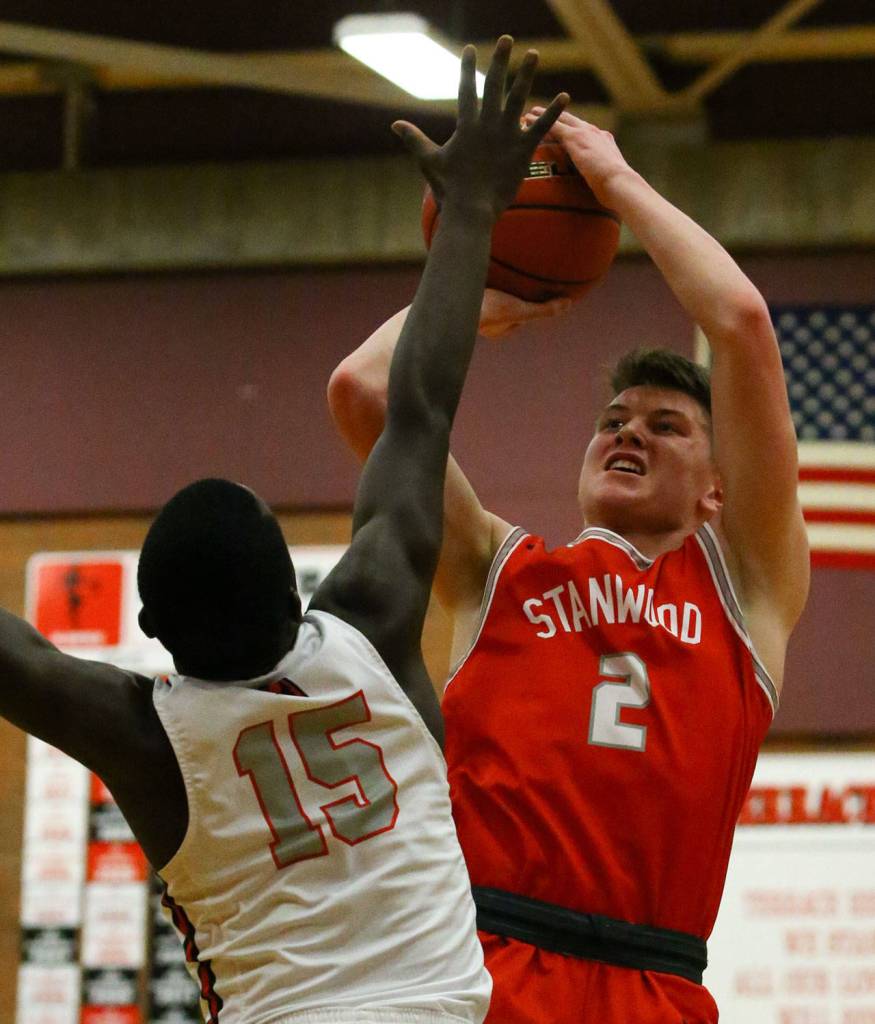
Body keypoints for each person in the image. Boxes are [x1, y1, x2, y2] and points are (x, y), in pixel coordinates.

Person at [0, 40, 568, 1024]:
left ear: (150, 627)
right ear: (300, 592)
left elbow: (14, 659)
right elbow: (418, 408)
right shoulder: (371, 621)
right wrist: (473, 208)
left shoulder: (145, 736)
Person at [328, 109, 810, 1023]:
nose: (628, 432)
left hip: (653, 980)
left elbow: (741, 322)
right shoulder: (492, 569)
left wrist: (616, 181)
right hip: (482, 964)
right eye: (613, 420)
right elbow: (361, 390)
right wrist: (475, 288)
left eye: (666, 426)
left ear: (717, 489)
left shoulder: (745, 591)